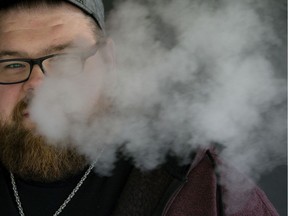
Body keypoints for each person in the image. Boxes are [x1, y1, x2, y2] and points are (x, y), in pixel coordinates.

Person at [0, 0, 280, 215]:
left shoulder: (205, 187)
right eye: (12, 65)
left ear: (109, 61)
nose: (36, 84)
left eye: (63, 60)